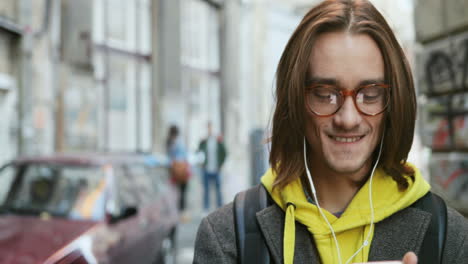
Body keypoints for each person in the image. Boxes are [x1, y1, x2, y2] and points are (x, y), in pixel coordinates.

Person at [193, 1, 468, 263]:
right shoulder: (228, 236)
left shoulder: (450, 236)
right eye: (325, 95)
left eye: (370, 95)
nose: (348, 118)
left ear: (393, 103)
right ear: (295, 101)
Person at [198, 121, 227, 211]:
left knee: (218, 190)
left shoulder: (218, 140)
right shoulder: (204, 141)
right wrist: (201, 163)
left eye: (211, 127)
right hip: (206, 169)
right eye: (208, 128)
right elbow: (199, 152)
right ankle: (206, 208)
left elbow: (224, 152)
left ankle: (220, 208)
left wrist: (221, 164)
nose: (209, 130)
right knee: (206, 190)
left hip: (216, 169)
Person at [166, 125, 191, 219]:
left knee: (176, 192)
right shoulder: (180, 143)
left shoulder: (171, 144)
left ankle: (177, 212)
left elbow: (170, 159)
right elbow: (186, 158)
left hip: (175, 172)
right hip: (183, 172)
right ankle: (181, 212)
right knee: (182, 193)